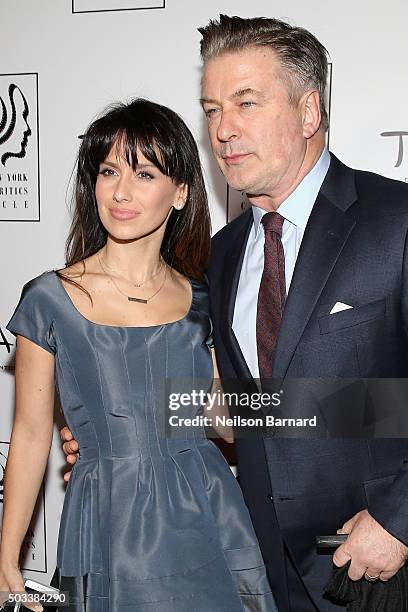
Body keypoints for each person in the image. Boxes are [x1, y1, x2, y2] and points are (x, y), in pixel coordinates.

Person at [59, 14, 408, 611]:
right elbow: (251, 409)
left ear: (308, 112)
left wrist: (400, 519)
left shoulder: (395, 220)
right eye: (213, 108)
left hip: (379, 568)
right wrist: (125, 427)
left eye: (246, 103)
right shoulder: (220, 256)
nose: (222, 129)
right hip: (257, 567)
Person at [0, 98, 277, 612]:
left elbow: (226, 419)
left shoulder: (204, 298)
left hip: (209, 509)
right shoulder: (49, 298)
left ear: (180, 194)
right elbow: (32, 433)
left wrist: (355, 407)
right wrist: (7, 559)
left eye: (144, 174)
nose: (121, 192)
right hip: (110, 518)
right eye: (108, 172)